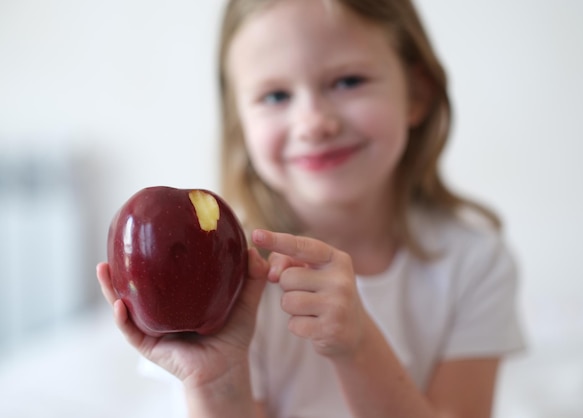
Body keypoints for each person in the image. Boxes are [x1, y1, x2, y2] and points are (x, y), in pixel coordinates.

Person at [97, 0, 525, 416]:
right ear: (240, 125)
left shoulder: (474, 261)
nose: (314, 122)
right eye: (276, 95)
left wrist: (359, 348)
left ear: (416, 94)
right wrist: (214, 381)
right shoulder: (233, 278)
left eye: (348, 81)